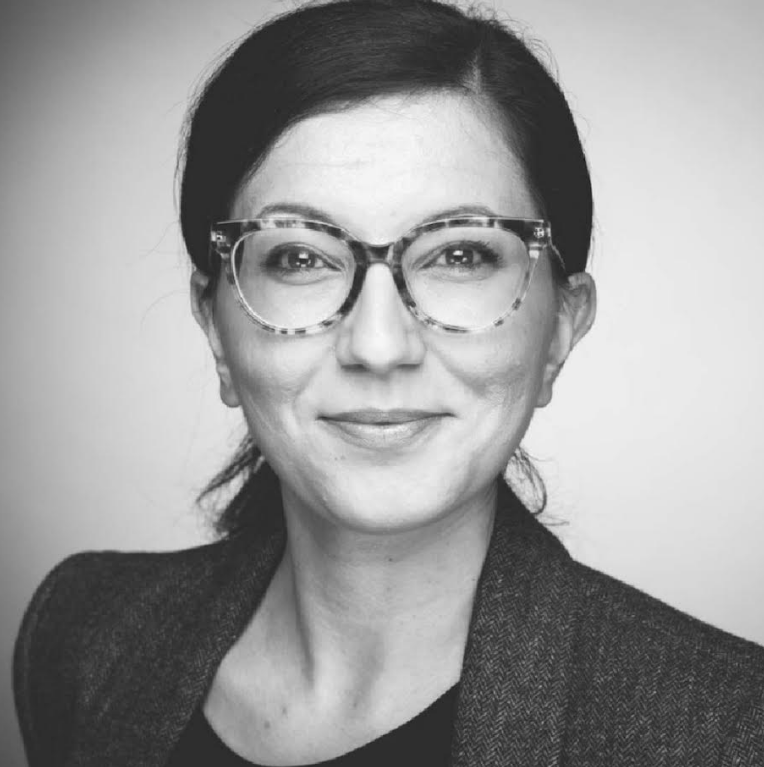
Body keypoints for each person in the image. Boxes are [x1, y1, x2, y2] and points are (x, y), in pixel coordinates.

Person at [12, 0, 764, 764]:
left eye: (460, 255)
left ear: (561, 328)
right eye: (299, 257)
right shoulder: (83, 637)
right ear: (215, 328)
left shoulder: (728, 732)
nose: (378, 345)